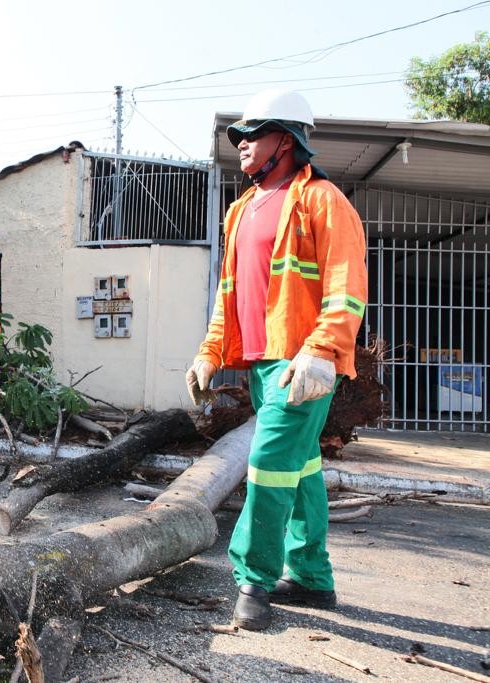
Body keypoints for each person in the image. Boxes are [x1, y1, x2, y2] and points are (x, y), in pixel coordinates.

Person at [186, 90, 368, 631]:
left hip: (302, 363)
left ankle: (254, 579)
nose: (241, 144)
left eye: (253, 134)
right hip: (262, 363)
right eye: (238, 136)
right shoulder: (240, 209)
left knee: (267, 462)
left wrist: (322, 349)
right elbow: (229, 293)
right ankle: (311, 577)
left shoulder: (323, 200)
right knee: (301, 467)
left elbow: (347, 286)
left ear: (286, 141)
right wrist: (210, 351)